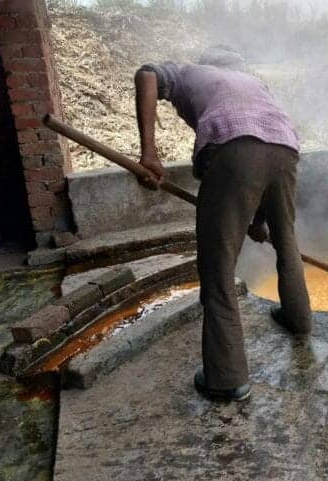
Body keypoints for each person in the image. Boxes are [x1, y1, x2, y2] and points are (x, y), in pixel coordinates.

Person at [134, 46, 312, 402]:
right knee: (286, 239)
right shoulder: (251, 82)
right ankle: (298, 318)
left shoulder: (187, 72)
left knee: (217, 267)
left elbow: (146, 75)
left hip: (234, 147)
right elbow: (261, 157)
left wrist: (149, 152)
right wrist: (257, 219)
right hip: (286, 148)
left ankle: (226, 377)